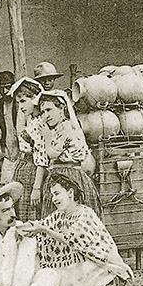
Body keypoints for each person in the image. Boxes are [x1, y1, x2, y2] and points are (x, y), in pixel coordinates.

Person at [14, 174, 143, 286]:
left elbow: (69, 238)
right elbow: (42, 224)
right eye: (52, 195)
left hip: (101, 266)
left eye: (57, 194)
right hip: (80, 269)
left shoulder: (85, 214)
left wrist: (43, 229)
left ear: (71, 193)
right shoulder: (60, 215)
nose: (54, 199)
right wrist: (21, 227)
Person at [36, 90, 102, 219]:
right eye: (43, 112)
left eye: (49, 110)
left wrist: (47, 137)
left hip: (70, 176)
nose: (46, 115)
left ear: (61, 109)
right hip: (58, 175)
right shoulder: (56, 128)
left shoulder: (67, 127)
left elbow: (52, 154)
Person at [6, 77, 47, 220]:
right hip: (23, 168)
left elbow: (42, 158)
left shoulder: (43, 122)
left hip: (34, 173)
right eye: (18, 102)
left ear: (35, 98)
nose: (21, 106)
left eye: (23, 101)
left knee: (31, 212)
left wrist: (36, 188)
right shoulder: (30, 118)